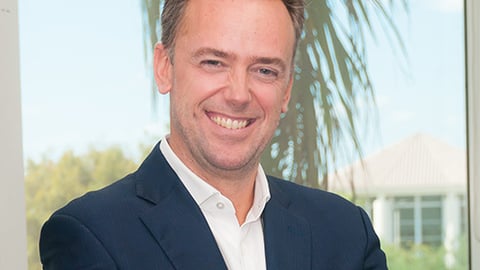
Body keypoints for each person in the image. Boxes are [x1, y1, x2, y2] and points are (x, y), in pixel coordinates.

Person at [39, 0, 388, 269]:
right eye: (213, 62)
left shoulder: (347, 233)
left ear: (286, 91)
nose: (238, 94)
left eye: (264, 70)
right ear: (165, 68)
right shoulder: (91, 235)